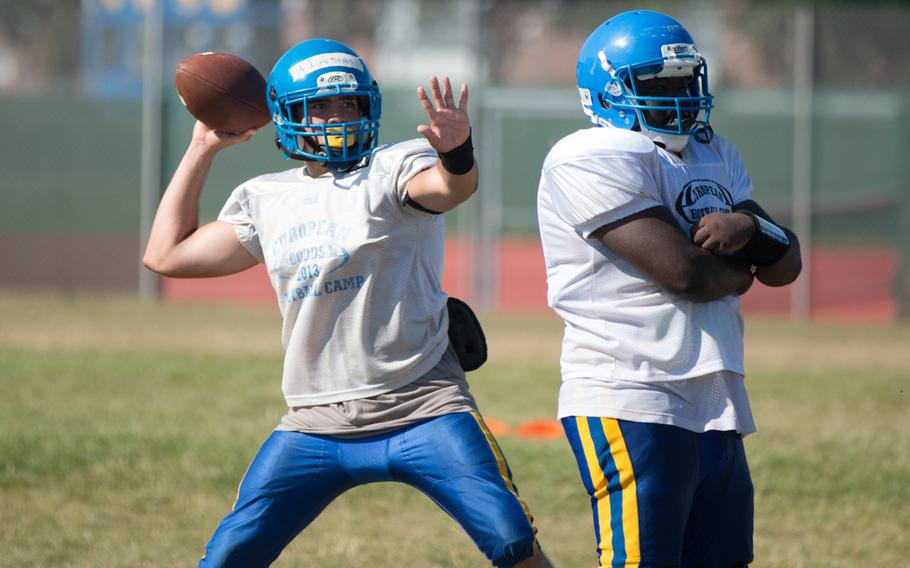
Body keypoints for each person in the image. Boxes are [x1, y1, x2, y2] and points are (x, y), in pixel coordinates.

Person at [144, 38, 553, 568]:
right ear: (289, 115)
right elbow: (166, 255)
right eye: (321, 105)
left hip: (422, 406)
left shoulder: (394, 166)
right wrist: (202, 147)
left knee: (512, 541)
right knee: (228, 556)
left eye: (349, 103)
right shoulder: (265, 197)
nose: (339, 116)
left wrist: (457, 149)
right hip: (315, 421)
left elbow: (451, 188)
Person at [536, 11, 801, 568]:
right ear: (610, 93)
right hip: (630, 390)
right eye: (659, 84)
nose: (679, 96)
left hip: (716, 396)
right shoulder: (588, 154)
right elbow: (688, 275)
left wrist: (752, 230)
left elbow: (786, 262)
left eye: (685, 81)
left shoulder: (713, 150)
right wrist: (742, 269)